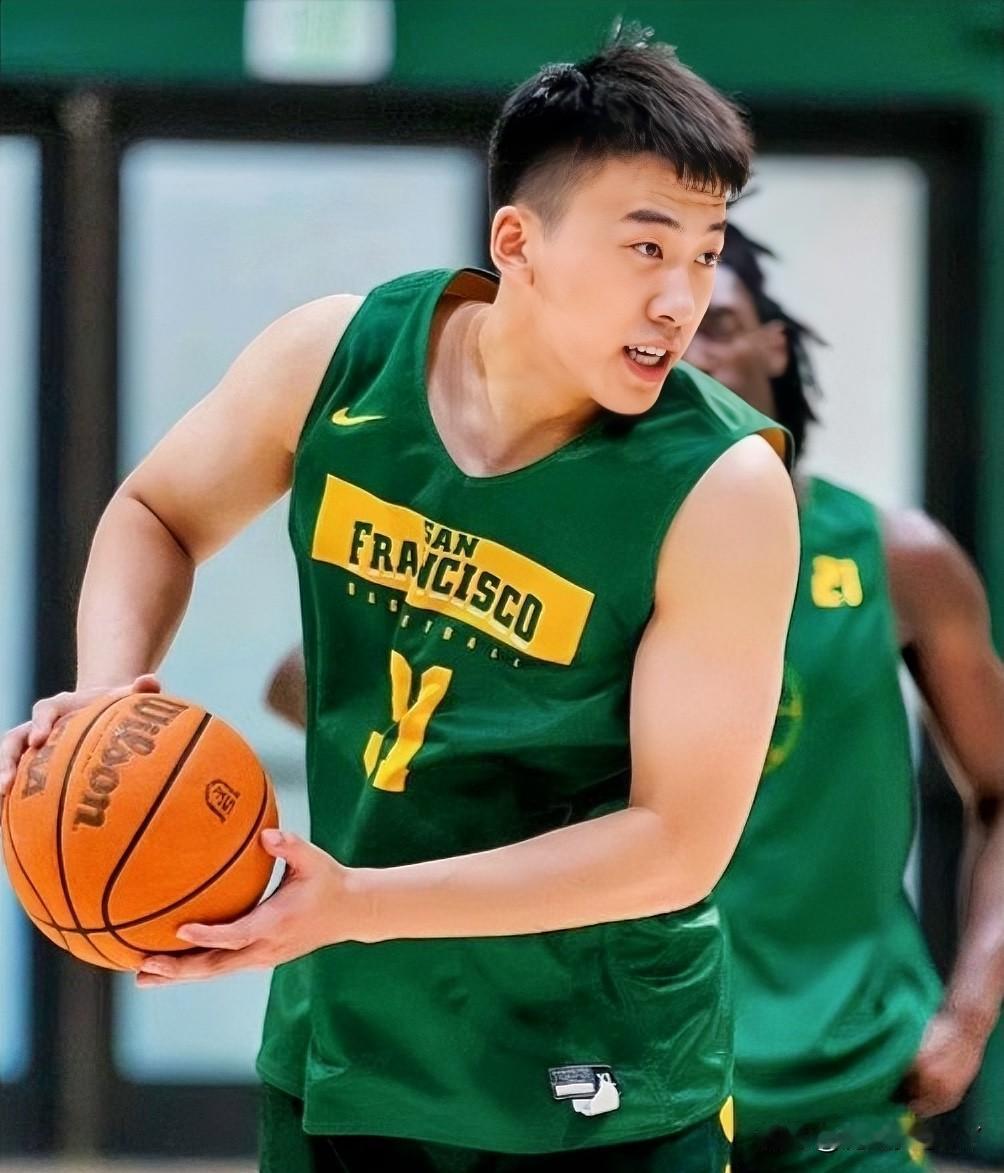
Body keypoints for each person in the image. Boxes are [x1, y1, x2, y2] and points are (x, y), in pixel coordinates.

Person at [0, 32, 800, 1172]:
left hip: (595, 1067)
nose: (680, 300)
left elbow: (675, 845)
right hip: (348, 1039)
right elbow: (158, 512)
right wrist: (101, 701)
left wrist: (357, 903)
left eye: (704, 255)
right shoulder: (337, 359)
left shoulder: (721, 489)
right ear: (517, 242)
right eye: (645, 248)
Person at [682, 223, 1004, 1171]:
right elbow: (323, 684)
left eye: (718, 323)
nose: (693, 353)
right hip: (641, 1089)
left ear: (774, 345)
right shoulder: (573, 560)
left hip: (848, 1091)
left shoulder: (897, 557)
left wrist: (968, 1013)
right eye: (664, 331)